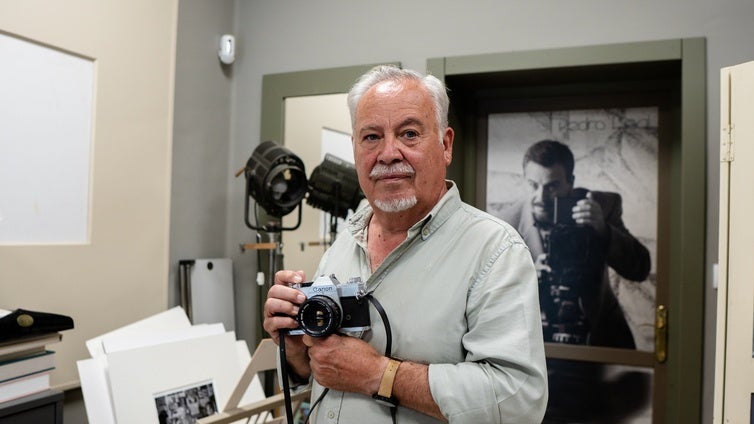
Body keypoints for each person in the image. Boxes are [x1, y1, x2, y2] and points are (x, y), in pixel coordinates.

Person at [262, 65, 548, 423]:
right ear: (355, 149)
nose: (388, 154)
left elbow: (518, 401)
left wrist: (378, 374)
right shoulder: (344, 243)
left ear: (445, 145)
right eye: (371, 137)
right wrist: (295, 351)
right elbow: (322, 372)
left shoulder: (494, 251)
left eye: (409, 133)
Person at [499, 139, 651, 422]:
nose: (541, 197)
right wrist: (527, 278)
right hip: (536, 354)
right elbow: (490, 298)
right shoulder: (505, 221)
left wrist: (604, 230)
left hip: (596, 351)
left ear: (571, 182)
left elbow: (640, 268)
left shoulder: (601, 206)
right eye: (533, 185)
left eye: (552, 186)